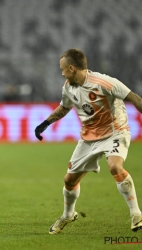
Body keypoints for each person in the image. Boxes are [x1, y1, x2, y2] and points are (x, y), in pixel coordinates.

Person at [35, 48, 142, 234]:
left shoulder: (105, 82)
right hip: (89, 138)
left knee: (115, 167)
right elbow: (64, 108)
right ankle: (68, 214)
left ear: (71, 68)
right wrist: (44, 124)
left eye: (63, 69)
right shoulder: (68, 87)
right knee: (69, 180)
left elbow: (134, 97)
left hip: (115, 131)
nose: (61, 73)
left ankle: (136, 214)